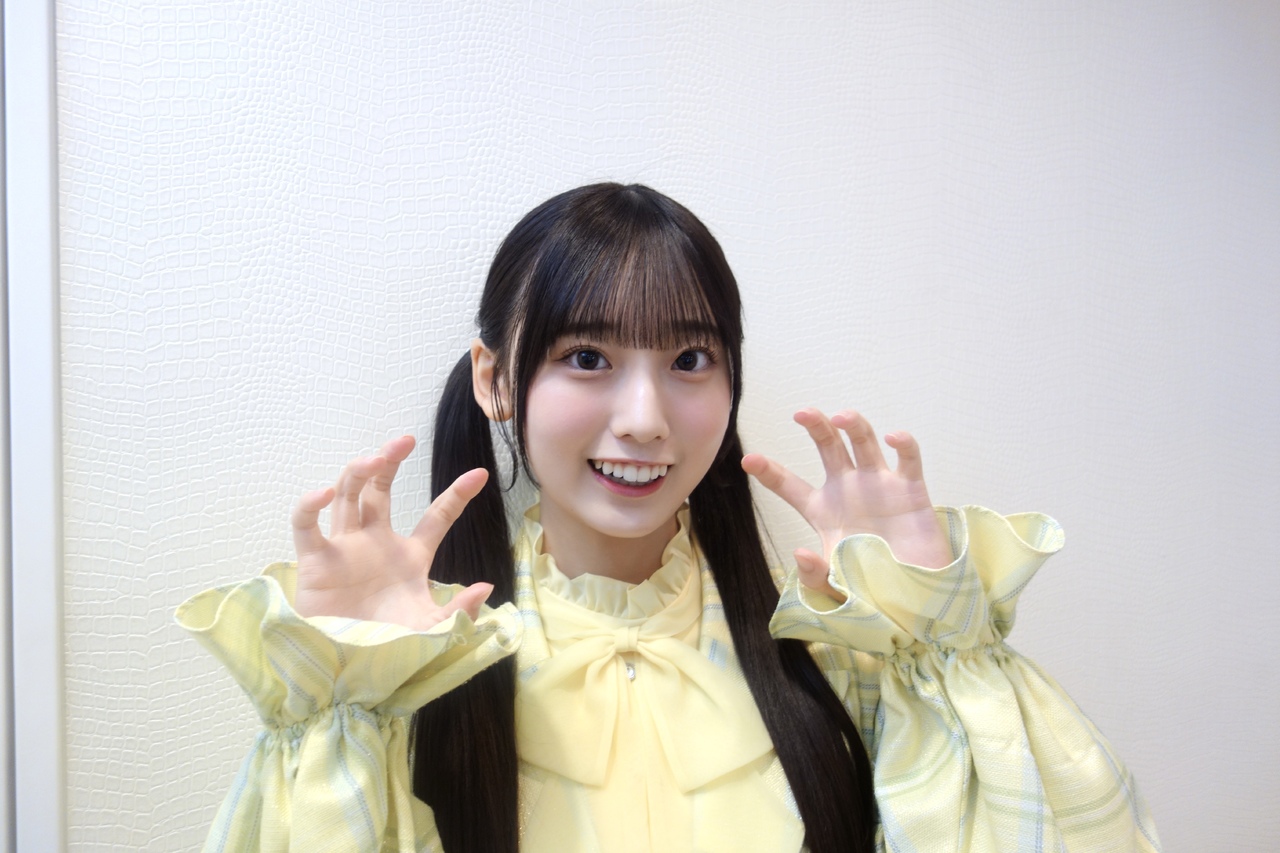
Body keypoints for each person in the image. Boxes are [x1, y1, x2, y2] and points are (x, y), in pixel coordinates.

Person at [177, 183, 1162, 853]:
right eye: (588, 358)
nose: (645, 419)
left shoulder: (842, 658)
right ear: (494, 379)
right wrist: (344, 695)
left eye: (689, 359)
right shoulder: (414, 676)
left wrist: (933, 631)